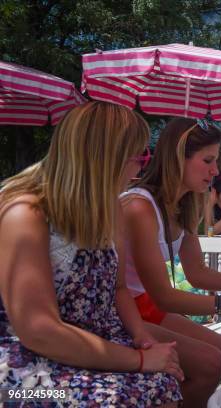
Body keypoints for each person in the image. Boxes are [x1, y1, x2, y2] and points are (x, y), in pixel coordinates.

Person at [0, 101, 182, 406]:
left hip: (89, 346)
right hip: (24, 370)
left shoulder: (108, 207)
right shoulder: (24, 213)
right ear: (106, 160)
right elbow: (39, 331)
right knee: (112, 397)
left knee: (163, 382)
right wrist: (138, 360)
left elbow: (119, 288)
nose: (143, 166)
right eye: (140, 156)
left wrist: (142, 338)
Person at [121, 118, 221, 355]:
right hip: (121, 309)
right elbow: (164, 296)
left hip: (144, 305)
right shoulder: (140, 207)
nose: (215, 170)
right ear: (177, 159)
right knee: (211, 360)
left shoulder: (184, 205)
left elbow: (196, 272)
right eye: (208, 160)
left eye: (215, 161)